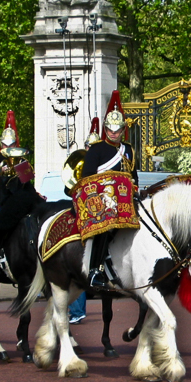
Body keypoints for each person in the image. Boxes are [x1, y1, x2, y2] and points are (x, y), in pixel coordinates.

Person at [79, 91, 138, 288]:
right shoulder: (96, 150)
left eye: (118, 130)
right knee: (105, 224)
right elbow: (87, 178)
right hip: (103, 201)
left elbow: (133, 177)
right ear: (106, 129)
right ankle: (96, 269)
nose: (114, 133)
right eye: (111, 130)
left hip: (125, 199)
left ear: (123, 130)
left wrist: (135, 189)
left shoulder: (128, 150)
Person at [0, 110, 40, 276]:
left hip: (23, 199)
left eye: (12, 145)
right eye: (6, 145)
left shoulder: (22, 160)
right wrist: (2, 173)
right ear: (1, 146)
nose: (8, 148)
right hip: (4, 199)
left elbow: (27, 183)